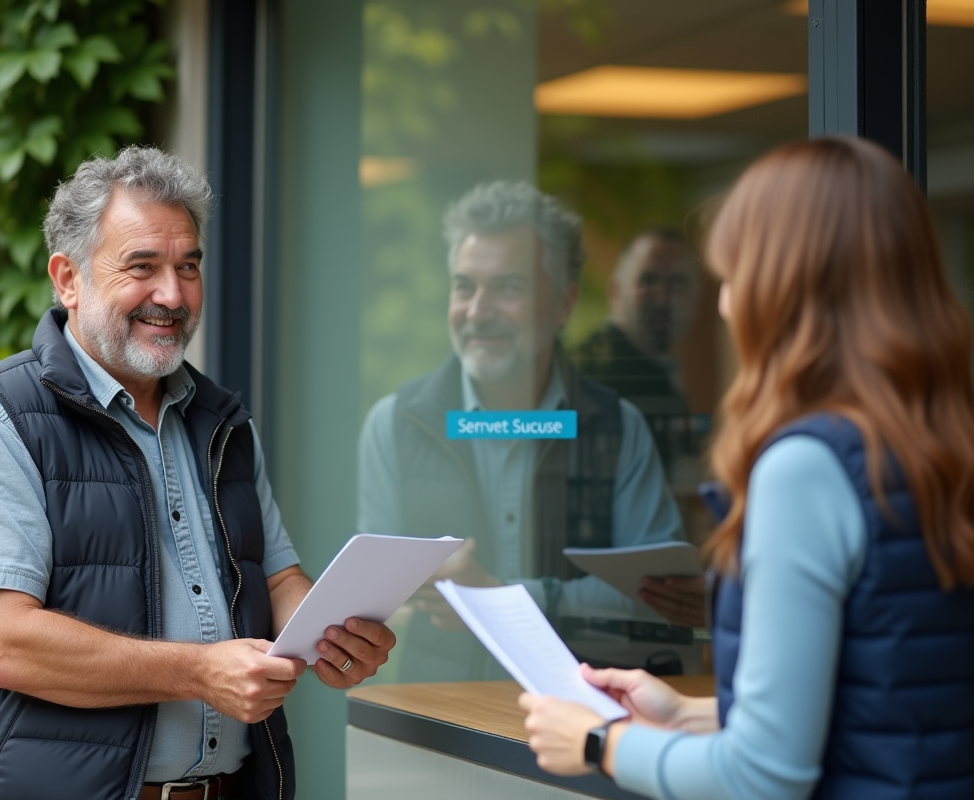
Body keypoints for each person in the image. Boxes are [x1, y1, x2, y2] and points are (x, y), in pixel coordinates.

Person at [0, 147, 394, 800]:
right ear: (68, 278)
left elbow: (278, 576)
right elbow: (6, 644)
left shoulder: (222, 424)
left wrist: (332, 637)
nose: (172, 294)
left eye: (187, 266)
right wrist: (199, 672)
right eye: (143, 267)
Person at [519, 137, 974, 799]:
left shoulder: (807, 469)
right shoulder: (941, 441)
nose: (726, 306)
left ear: (784, 288)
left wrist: (598, 742)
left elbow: (762, 776)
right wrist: (691, 714)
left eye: (733, 277)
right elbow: (888, 693)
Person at [357, 181, 702, 683]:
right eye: (465, 286)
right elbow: (370, 601)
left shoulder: (619, 427)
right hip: (441, 724)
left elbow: (657, 596)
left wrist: (497, 597)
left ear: (563, 304)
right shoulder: (395, 424)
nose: (478, 312)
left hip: (587, 709)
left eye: (508, 287)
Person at [575, 228, 700, 419]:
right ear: (615, 291)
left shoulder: (660, 374)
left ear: (696, 295)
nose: (663, 300)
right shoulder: (589, 375)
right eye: (648, 281)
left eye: (677, 283)